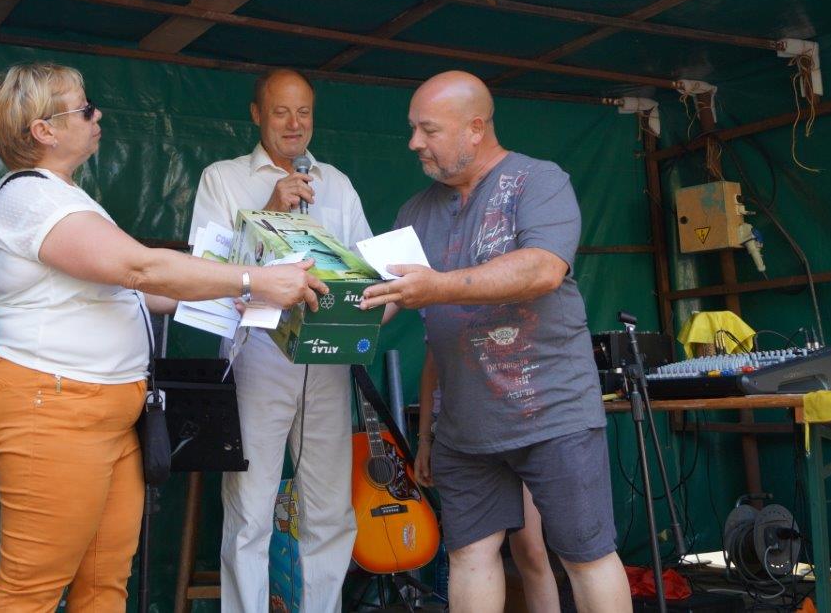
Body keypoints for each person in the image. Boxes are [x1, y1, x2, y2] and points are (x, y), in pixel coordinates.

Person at [0, 62, 325, 612]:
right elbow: (141, 270)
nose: (98, 115)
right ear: (44, 130)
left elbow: (141, 292)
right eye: (85, 108)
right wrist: (256, 280)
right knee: (32, 590)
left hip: (107, 409)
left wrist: (229, 290)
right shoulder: (31, 198)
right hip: (53, 404)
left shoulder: (69, 199)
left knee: (104, 582)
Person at [362, 70, 630, 613]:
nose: (414, 142)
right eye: (414, 129)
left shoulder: (540, 180)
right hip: (464, 425)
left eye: (428, 130)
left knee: (586, 556)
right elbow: (391, 303)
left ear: (475, 128)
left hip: (551, 413)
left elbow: (543, 269)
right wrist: (309, 306)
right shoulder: (414, 212)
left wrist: (435, 285)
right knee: (469, 556)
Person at [189, 68, 373, 613]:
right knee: (250, 506)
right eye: (280, 112)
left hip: (328, 357)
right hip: (258, 355)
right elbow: (204, 276)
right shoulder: (222, 178)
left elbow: (365, 264)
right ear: (255, 115)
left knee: (330, 509)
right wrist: (269, 212)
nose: (294, 124)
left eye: (304, 112)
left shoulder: (336, 182)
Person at [414, 349, 561, 613]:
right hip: (460, 434)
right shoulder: (431, 309)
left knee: (532, 550)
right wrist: (424, 439)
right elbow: (431, 364)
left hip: (517, 425)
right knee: (471, 555)